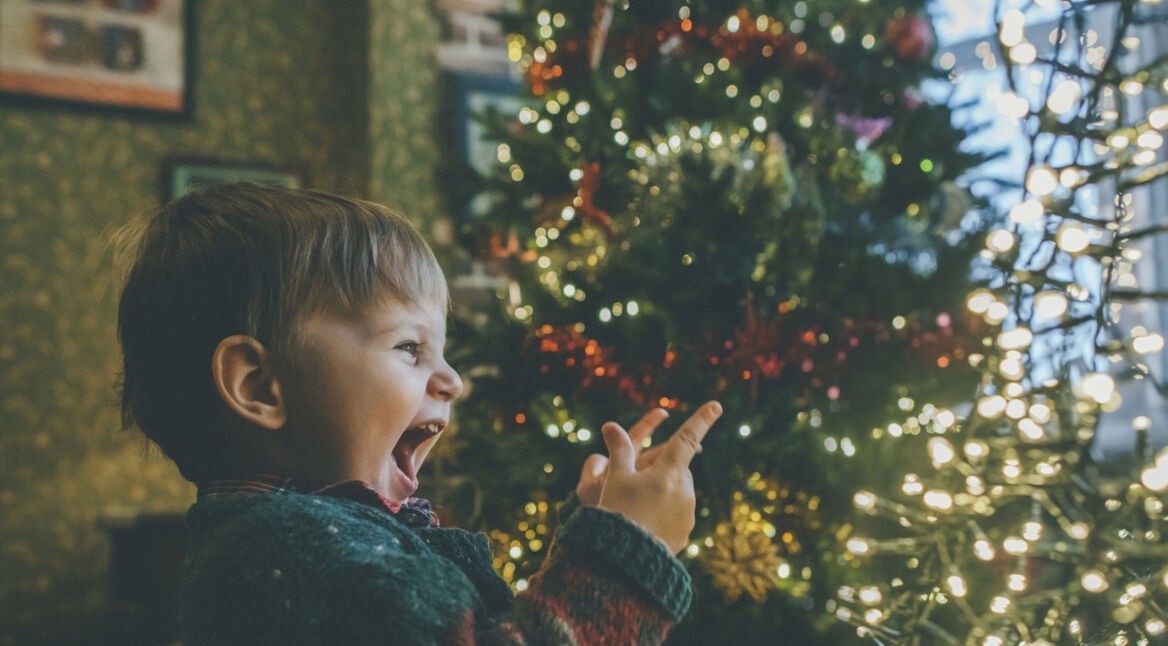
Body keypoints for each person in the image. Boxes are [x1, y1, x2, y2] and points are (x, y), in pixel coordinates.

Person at [115, 182, 723, 645]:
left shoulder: (320, 539)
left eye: (442, 350)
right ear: (260, 386)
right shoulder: (284, 555)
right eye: (409, 347)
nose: (452, 380)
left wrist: (586, 539)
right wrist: (622, 554)